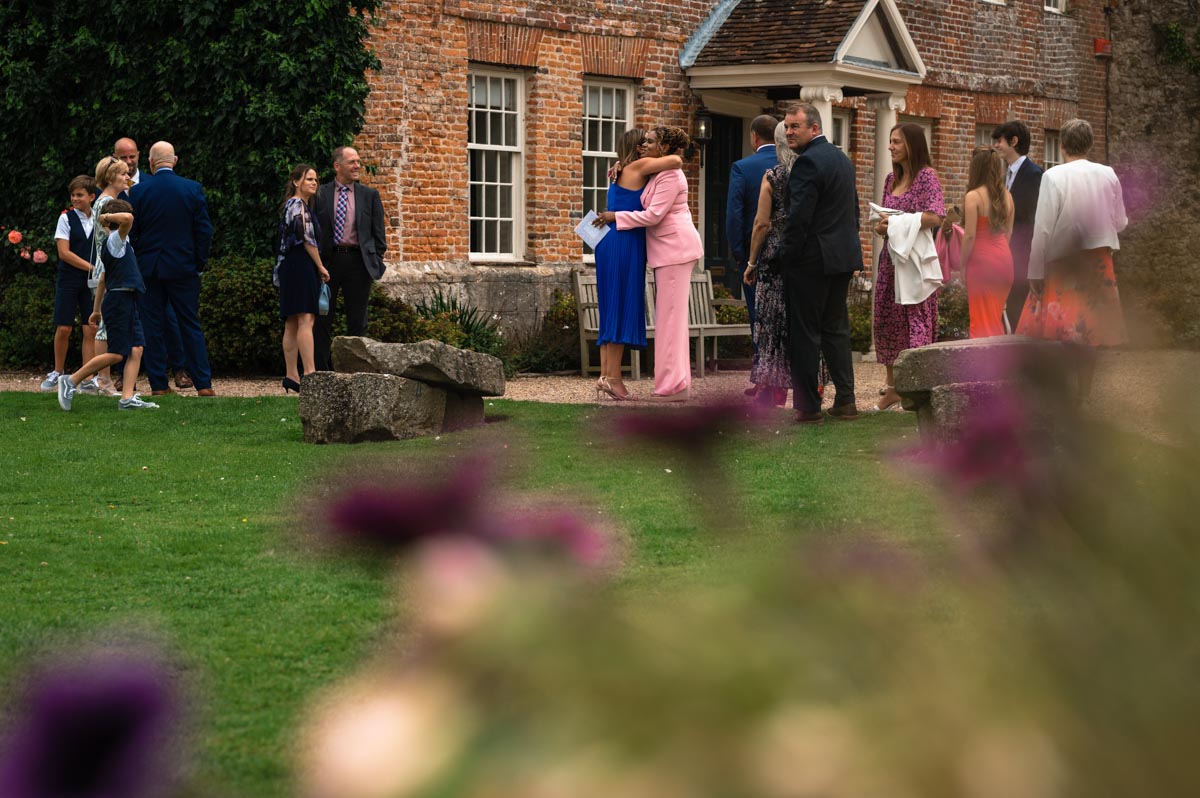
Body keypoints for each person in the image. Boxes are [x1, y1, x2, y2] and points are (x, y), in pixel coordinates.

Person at [1016, 118, 1127, 400]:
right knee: (1091, 331)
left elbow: (1042, 228)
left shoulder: (1054, 176)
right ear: (1090, 145)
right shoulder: (1109, 174)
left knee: (1060, 330)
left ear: (1062, 145)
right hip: (1099, 261)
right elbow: (1121, 222)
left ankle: (1060, 393)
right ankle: (1084, 393)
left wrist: (1034, 271)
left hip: (1064, 263)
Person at [594, 126, 703, 402]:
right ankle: (614, 379)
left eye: (650, 142)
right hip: (625, 242)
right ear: (635, 147)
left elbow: (676, 161)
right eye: (643, 142)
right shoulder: (641, 167)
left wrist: (621, 164)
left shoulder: (631, 169)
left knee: (612, 308)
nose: (645, 146)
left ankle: (609, 376)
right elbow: (676, 161)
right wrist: (616, 216)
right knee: (619, 307)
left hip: (619, 241)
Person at [776, 103, 862, 424]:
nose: (788, 132)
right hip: (841, 258)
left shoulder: (808, 163)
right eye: (786, 126)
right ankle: (846, 400)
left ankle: (808, 406)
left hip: (812, 260)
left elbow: (798, 219)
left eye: (795, 126)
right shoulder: (842, 160)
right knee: (836, 329)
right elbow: (851, 211)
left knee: (806, 332)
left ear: (814, 128)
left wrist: (785, 256)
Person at [743, 121, 828, 407]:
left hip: (775, 259)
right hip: (807, 254)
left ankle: (773, 389)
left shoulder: (773, 177)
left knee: (771, 323)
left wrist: (752, 262)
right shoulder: (813, 175)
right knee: (804, 323)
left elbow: (761, 223)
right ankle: (812, 385)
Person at [129, 141, 216, 396]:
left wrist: (142, 259)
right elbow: (204, 231)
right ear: (174, 161)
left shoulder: (139, 192)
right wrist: (198, 262)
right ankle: (203, 383)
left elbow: (133, 234)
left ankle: (158, 384)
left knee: (152, 326)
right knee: (190, 324)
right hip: (183, 267)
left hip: (150, 268)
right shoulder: (192, 189)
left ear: (150, 162)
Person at [56, 200, 159, 411]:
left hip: (126, 300)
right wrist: (105, 218)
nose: (131, 221)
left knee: (136, 349)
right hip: (120, 301)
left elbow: (103, 279)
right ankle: (71, 380)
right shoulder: (116, 240)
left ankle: (127, 398)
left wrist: (95, 310)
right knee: (117, 353)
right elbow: (128, 218)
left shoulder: (120, 242)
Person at [873, 123, 945, 411]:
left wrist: (899, 222)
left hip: (914, 263)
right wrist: (882, 227)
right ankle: (892, 388)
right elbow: (883, 221)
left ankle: (917, 387)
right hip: (890, 261)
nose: (890, 147)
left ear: (912, 145)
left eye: (896, 142)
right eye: (890, 141)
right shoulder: (891, 178)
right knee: (887, 321)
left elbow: (935, 216)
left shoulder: (927, 177)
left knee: (915, 321)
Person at [115, 137, 192, 391]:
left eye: (132, 156)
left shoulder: (149, 184)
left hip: (157, 264)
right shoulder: (110, 187)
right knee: (127, 318)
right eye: (123, 157)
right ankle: (127, 373)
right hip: (131, 262)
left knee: (169, 319)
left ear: (141, 157)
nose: (128, 161)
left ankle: (178, 369)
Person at [312, 146, 387, 371]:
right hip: (328, 262)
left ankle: (356, 369)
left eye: (358, 162)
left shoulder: (369, 195)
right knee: (323, 317)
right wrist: (318, 264)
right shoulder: (320, 194)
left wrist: (376, 259)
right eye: (352, 162)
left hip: (359, 263)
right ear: (337, 166)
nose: (357, 166)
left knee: (358, 320)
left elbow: (378, 233)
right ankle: (323, 371)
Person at [726, 113, 779, 388]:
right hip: (785, 254)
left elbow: (734, 215)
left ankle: (762, 379)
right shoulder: (790, 165)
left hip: (754, 256)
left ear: (754, 136)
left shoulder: (742, 167)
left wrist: (739, 255)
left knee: (758, 317)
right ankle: (781, 377)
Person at [275, 164, 331, 393]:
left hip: (289, 266)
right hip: (301, 265)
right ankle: (309, 373)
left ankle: (292, 375)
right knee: (306, 319)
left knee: (292, 321)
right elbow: (307, 240)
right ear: (296, 181)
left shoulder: (292, 206)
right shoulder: (298, 206)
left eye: (315, 179)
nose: (314, 183)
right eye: (309, 179)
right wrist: (320, 266)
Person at [41, 176, 100, 394]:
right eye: (73, 195)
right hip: (69, 280)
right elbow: (64, 253)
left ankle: (87, 377)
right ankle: (57, 371)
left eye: (80, 195)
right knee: (64, 327)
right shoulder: (65, 219)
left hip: (92, 283)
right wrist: (93, 268)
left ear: (92, 197)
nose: (75, 199)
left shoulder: (100, 219)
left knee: (90, 328)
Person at [991, 120, 1043, 331]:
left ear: (1014, 141)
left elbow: (1033, 219)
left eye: (1000, 141)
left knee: (1020, 308)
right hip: (1006, 252)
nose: (996, 145)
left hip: (1022, 254)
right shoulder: (1005, 175)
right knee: (1010, 306)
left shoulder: (1033, 174)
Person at [960, 147, 1015, 338]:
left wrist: (962, 264)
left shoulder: (973, 196)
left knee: (981, 321)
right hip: (1004, 262)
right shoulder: (1007, 196)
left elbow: (969, 236)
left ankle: (984, 363)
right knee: (995, 318)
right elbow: (1008, 233)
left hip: (981, 264)